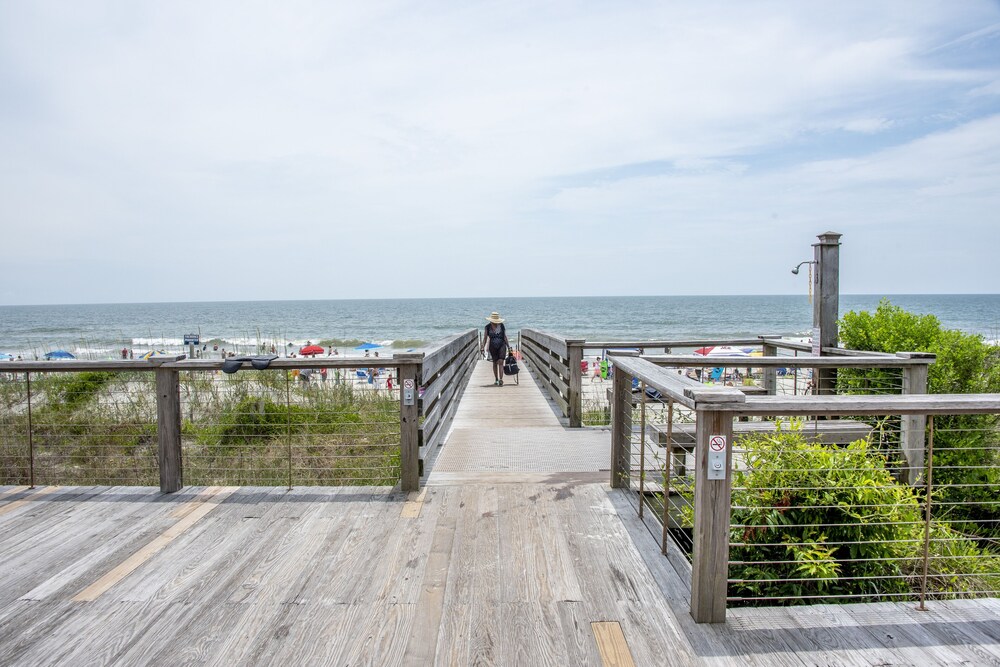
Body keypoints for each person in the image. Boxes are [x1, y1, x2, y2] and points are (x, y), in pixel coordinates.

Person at [480, 311, 511, 386]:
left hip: (502, 345)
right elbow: (485, 338)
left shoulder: (502, 326)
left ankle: (501, 379)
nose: (495, 322)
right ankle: (496, 379)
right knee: (494, 363)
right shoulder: (487, 327)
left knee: (501, 361)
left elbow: (505, 337)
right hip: (492, 347)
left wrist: (508, 346)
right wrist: (482, 347)